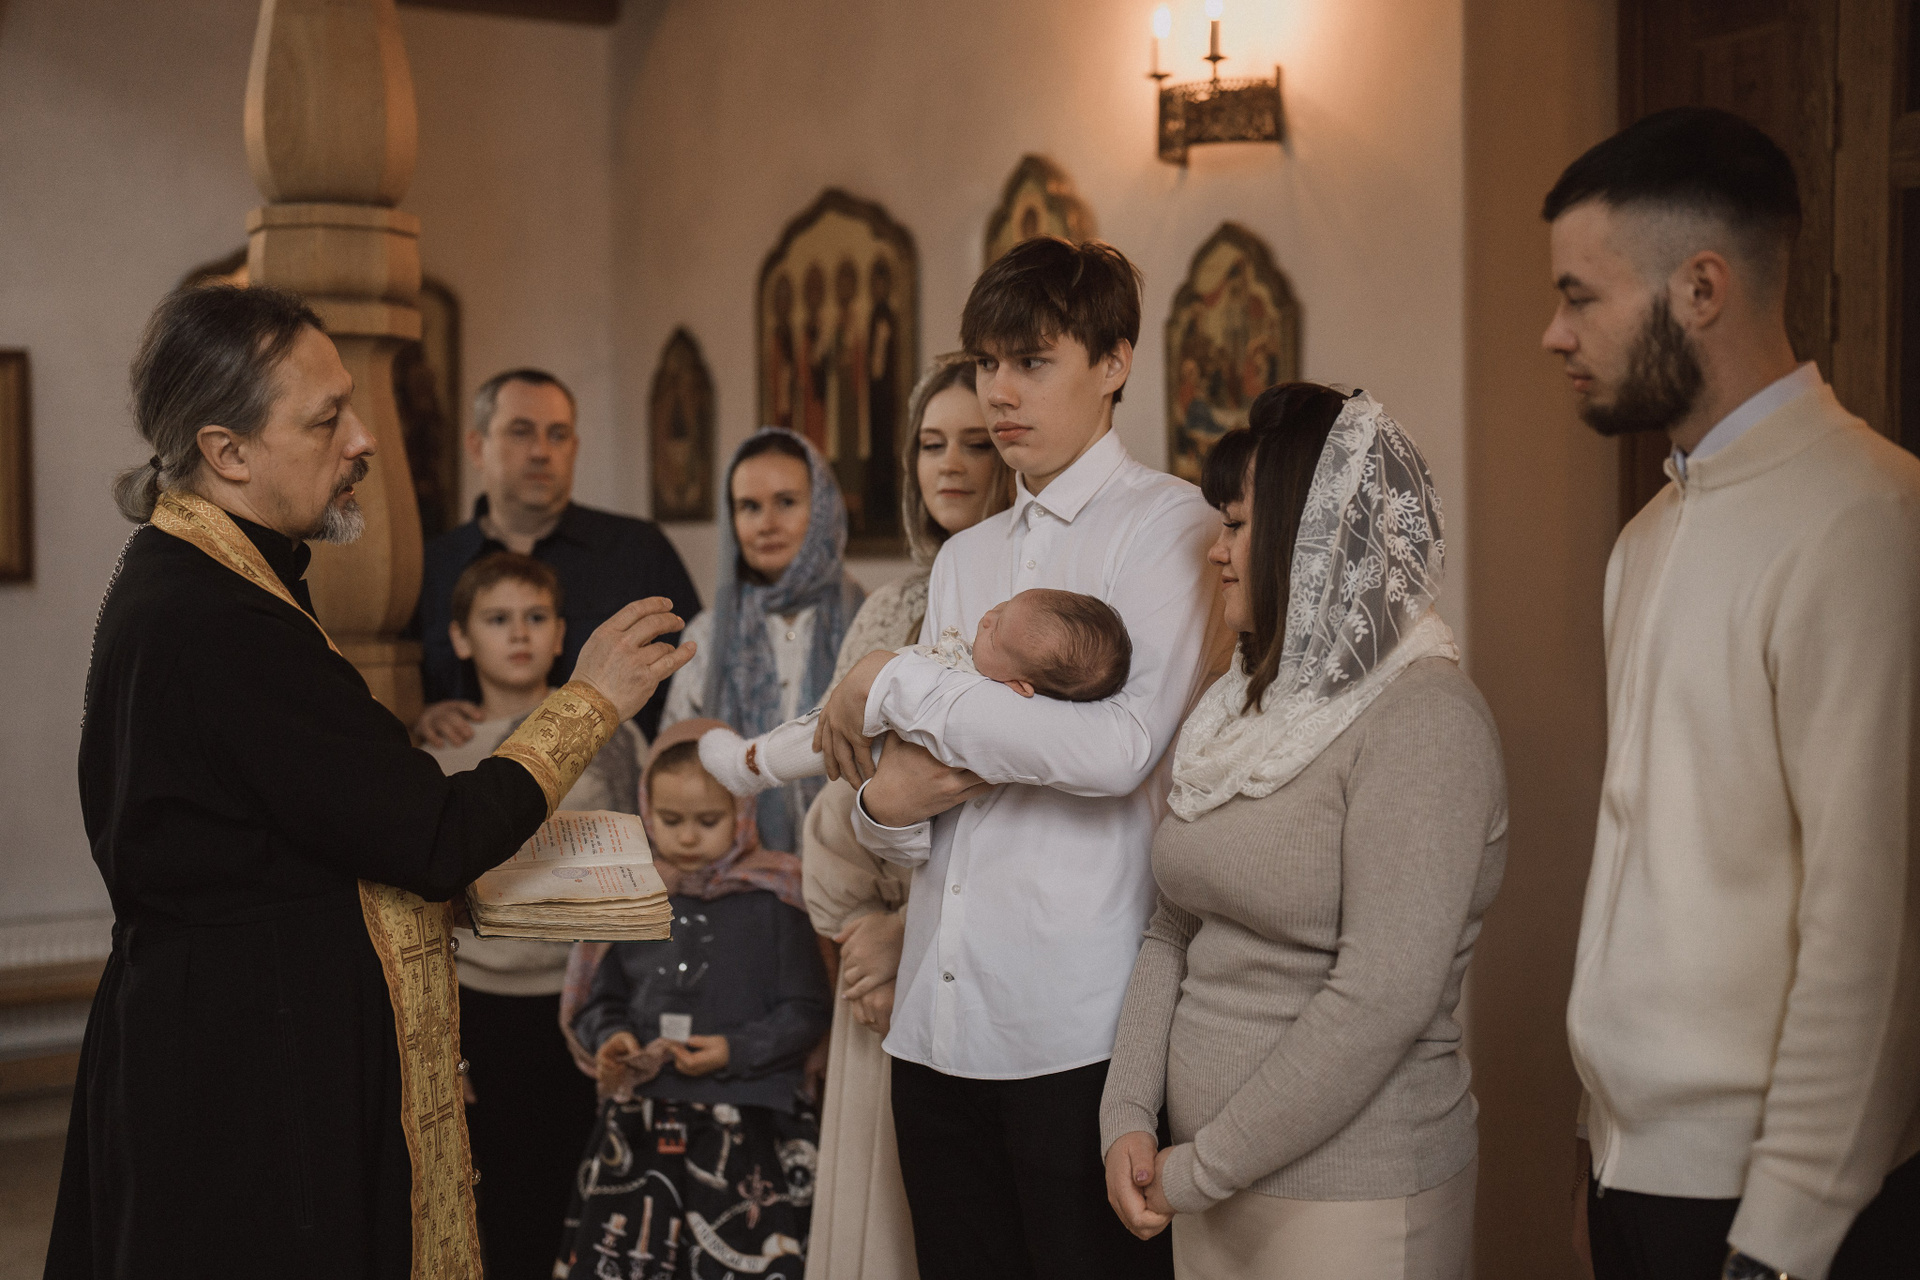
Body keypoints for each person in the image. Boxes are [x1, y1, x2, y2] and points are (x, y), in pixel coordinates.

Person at [49, 284, 692, 1279]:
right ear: (228, 451)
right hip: (247, 1071)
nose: (363, 441)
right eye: (326, 419)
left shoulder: (216, 577)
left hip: (245, 1031)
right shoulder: (213, 615)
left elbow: (324, 811)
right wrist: (590, 698)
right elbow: (430, 833)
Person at [1543, 107, 1920, 1280]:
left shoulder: (1869, 518)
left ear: (1700, 288)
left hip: (1774, 1207)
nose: (1553, 334)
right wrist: (1593, 1151)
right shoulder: (1646, 535)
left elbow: (1873, 921)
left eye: (1580, 296)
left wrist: (1784, 1235)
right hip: (1636, 1178)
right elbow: (1645, 860)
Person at [815, 237, 1219, 1280]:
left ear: (1114, 362)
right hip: (933, 1022)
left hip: (1075, 1024)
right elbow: (919, 795)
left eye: (1031, 361)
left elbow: (1117, 749)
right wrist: (883, 806)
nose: (999, 391)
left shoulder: (1168, 525)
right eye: (987, 362)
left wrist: (891, 681)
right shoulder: (966, 556)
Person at [1098, 383, 1506, 1278]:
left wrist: (1199, 1168)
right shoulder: (1239, 708)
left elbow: (1380, 997)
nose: (1216, 550)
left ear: (1312, 535)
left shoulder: (1426, 719)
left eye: (1238, 525)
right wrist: (1126, 1112)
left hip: (1351, 1198)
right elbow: (1174, 924)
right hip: (1201, 1187)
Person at [797, 352, 1012, 1280]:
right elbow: (840, 777)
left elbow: (1014, 810)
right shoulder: (891, 606)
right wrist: (862, 926)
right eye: (931, 444)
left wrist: (907, 929)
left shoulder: (1032, 616)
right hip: (876, 947)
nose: (950, 464)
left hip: (978, 955)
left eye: (976, 443)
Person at [421, 551, 643, 1280]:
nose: (519, 634)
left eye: (536, 617)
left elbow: (640, 863)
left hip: (586, 997)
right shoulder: (438, 749)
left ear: (561, 635)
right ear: (460, 639)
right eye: (497, 619)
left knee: (591, 1192)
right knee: (506, 1198)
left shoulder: (612, 733)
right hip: (483, 1002)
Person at [556, 720, 832, 1280]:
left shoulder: (780, 896)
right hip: (642, 1120)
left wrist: (734, 1050)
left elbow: (808, 1011)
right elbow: (597, 1001)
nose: (687, 838)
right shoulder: (628, 897)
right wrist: (614, 1039)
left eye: (707, 821)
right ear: (645, 810)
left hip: (750, 1123)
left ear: (743, 812)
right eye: (670, 820)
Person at [414, 367, 700, 747]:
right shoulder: (430, 566)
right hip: (470, 770)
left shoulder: (639, 550)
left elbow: (694, 685)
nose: (541, 452)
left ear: (574, 448)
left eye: (558, 435)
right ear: (477, 447)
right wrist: (418, 716)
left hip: (623, 772)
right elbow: (396, 683)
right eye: (521, 432)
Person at [700, 586, 1132, 795]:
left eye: (997, 632)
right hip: (878, 727)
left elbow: (917, 698)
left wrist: (877, 675)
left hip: (884, 740)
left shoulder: (990, 708)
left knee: (812, 740)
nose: (986, 618)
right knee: (820, 726)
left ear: (1019, 686)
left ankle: (750, 765)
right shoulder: (988, 670)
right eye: (1002, 607)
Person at [662, 427, 865, 853]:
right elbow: (675, 762)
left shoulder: (870, 619)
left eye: (786, 502)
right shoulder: (707, 635)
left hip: (854, 865)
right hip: (733, 872)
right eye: (749, 507)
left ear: (823, 508)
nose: (767, 524)